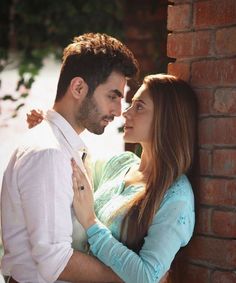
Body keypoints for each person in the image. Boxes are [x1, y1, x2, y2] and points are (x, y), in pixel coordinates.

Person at [27, 74, 198, 283]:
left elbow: (147, 276)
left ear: (167, 119)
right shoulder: (120, 164)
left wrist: (91, 223)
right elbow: (73, 165)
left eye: (139, 107)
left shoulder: (176, 198)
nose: (125, 113)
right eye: (131, 104)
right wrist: (51, 128)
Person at [1, 32, 139, 283]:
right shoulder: (49, 153)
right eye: (112, 96)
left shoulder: (59, 146)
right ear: (78, 88)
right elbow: (56, 262)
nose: (118, 112)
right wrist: (130, 278)